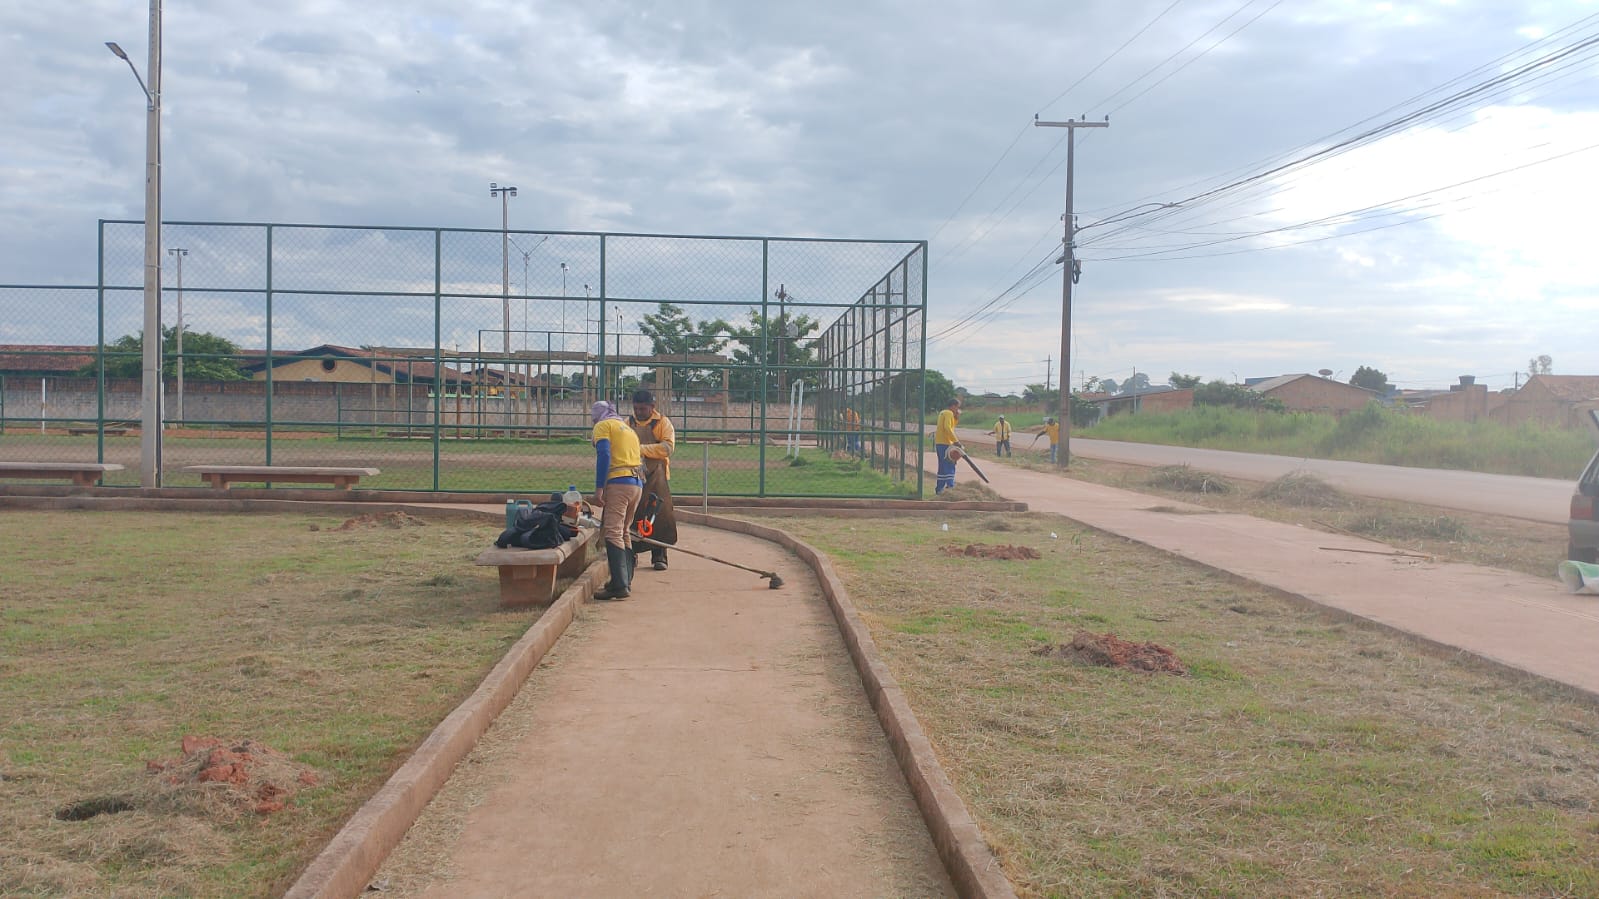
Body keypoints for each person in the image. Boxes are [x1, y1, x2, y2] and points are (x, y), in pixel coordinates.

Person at [591, 400, 644, 600]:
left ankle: (618, 585)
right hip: (637, 483)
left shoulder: (603, 426)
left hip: (619, 482)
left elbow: (604, 454)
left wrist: (599, 489)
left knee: (612, 532)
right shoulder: (628, 429)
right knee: (623, 531)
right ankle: (626, 580)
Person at [627, 389, 677, 571]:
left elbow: (667, 448)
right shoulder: (628, 423)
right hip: (634, 475)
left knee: (660, 515)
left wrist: (641, 449)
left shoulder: (663, 423)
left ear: (652, 407)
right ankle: (630, 554)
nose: (639, 412)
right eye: (636, 409)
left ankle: (659, 556)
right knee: (634, 515)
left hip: (658, 477)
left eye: (642, 409)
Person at [934, 397, 961, 494]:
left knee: (942, 467)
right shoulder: (949, 413)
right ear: (953, 406)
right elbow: (947, 428)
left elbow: (950, 426)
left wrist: (956, 418)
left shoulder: (943, 413)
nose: (958, 409)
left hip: (939, 442)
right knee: (950, 464)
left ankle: (939, 489)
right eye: (957, 407)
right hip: (945, 443)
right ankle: (950, 487)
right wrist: (956, 441)